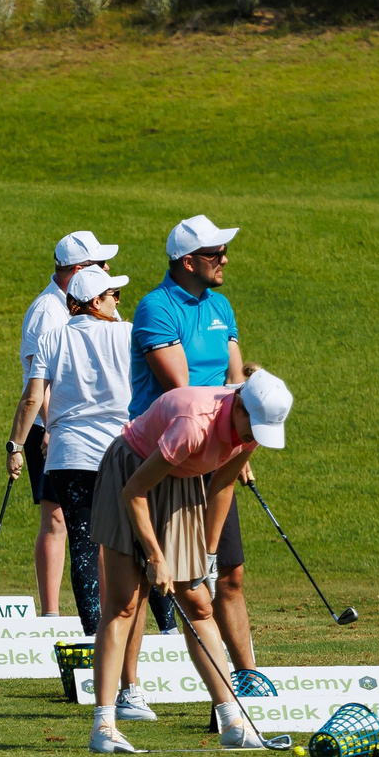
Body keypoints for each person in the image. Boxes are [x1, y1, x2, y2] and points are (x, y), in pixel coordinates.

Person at [88, 371, 294, 753]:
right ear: (241, 409)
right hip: (133, 470)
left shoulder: (249, 431)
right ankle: (103, 727)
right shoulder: (193, 424)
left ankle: (233, 721)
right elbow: (134, 490)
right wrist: (155, 557)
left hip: (182, 481)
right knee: (124, 604)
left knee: (199, 604)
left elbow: (222, 485)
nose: (253, 439)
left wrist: (209, 553)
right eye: (252, 429)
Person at [7, 265, 159, 722]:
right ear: (94, 302)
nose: (119, 302)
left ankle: (101, 663)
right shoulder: (128, 334)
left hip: (69, 456)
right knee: (127, 561)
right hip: (121, 455)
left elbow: (32, 399)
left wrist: (16, 445)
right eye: (113, 295)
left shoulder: (53, 337)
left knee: (85, 551)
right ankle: (127, 686)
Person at [129, 213, 257, 672]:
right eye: (214, 253)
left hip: (217, 446)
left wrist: (239, 439)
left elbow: (235, 378)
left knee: (230, 572)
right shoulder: (156, 308)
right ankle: (128, 687)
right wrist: (229, 432)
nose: (224, 259)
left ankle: (248, 678)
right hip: (170, 452)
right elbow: (181, 388)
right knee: (161, 584)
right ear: (187, 261)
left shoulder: (221, 308)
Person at [19, 230, 115, 616]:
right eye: (98, 264)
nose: (107, 270)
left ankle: (106, 606)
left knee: (98, 523)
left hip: (84, 428)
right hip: (51, 427)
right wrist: (49, 430)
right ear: (77, 269)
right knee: (56, 518)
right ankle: (52, 613)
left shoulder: (96, 301)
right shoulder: (46, 310)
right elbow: (38, 382)